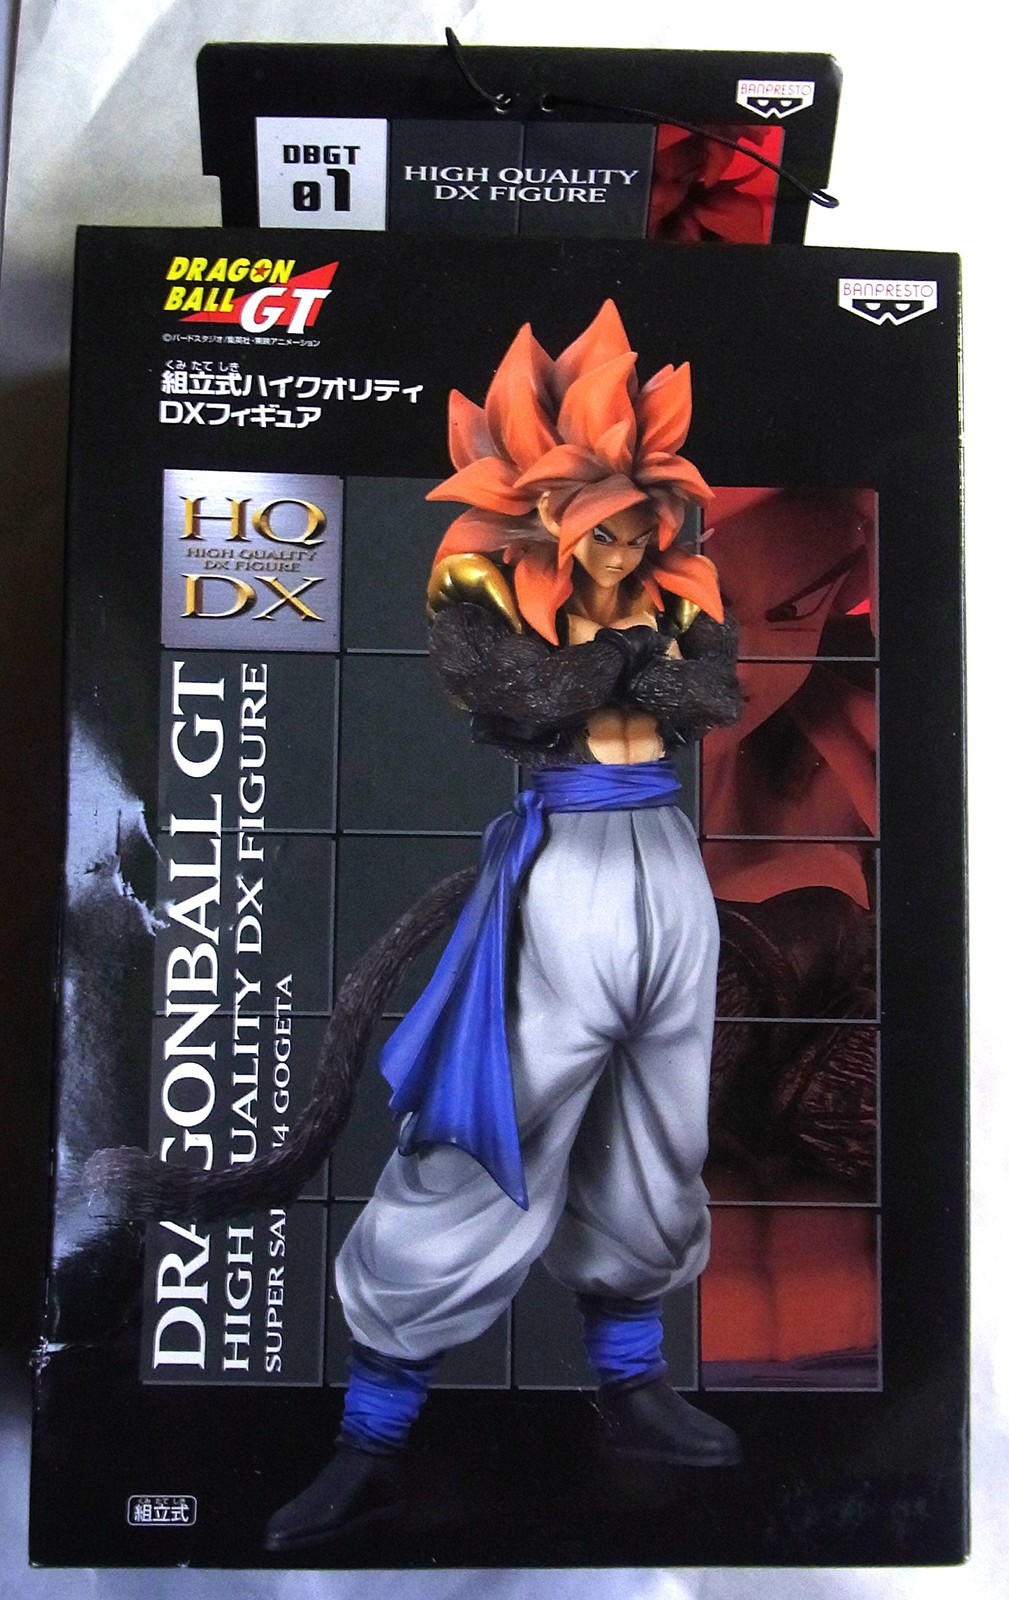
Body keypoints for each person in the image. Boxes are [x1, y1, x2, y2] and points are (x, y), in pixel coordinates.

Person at [264, 301, 745, 1552]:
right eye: (601, 524)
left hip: (665, 862)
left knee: (657, 1134)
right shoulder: (485, 587)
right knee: (485, 1141)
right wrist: (621, 665)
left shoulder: (679, 585)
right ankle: (372, 1439)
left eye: (639, 523)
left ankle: (631, 1388)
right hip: (567, 868)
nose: (624, 545)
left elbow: (712, 690)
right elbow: (515, 690)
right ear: (549, 516)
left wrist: (625, 663)